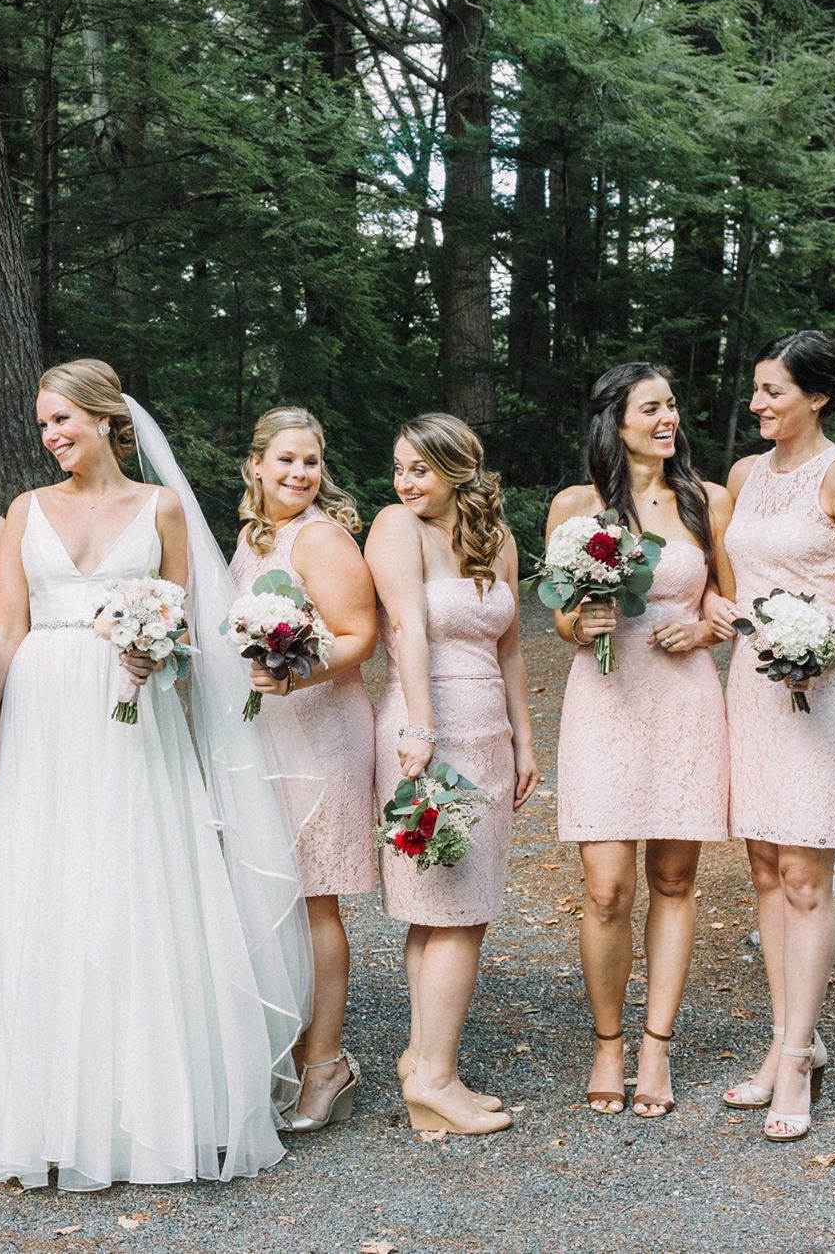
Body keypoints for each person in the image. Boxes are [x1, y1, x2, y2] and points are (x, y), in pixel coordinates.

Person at [0, 358, 312, 1190]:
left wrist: (161, 660)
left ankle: (155, 1117)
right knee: (52, 892)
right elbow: (7, 628)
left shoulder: (161, 510)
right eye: (42, 424)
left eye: (62, 420)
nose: (50, 437)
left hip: (134, 712)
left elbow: (190, 631)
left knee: (136, 888)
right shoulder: (23, 510)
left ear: (105, 419)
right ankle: (56, 1115)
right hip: (44, 713)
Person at [715, 332, 835, 1142]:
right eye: (756, 390)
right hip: (750, 690)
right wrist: (726, 614)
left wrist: (820, 653)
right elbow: (736, 583)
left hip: (821, 691)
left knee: (803, 874)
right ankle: (794, 1037)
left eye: (773, 392)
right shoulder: (745, 476)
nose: (756, 404)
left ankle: (793, 1061)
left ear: (817, 397)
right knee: (762, 863)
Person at [547, 364, 734, 1118]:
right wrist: (577, 623)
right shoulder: (575, 506)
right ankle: (608, 1042)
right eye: (651, 407)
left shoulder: (708, 500)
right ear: (614, 422)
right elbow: (559, 609)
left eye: (672, 404)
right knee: (605, 887)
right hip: (605, 697)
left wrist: (705, 624)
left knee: (675, 878)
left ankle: (657, 1045)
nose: (669, 417)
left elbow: (729, 591)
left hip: (684, 700)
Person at [366, 413, 539, 1136]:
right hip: (426, 732)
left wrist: (527, 741)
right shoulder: (393, 527)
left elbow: (511, 650)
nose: (406, 482)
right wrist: (420, 728)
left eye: (421, 469)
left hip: (488, 733)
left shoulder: (495, 539)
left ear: (458, 469)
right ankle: (436, 1077)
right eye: (400, 468)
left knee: (454, 908)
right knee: (452, 911)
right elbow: (404, 626)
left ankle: (423, 1060)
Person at [227, 406, 379, 1133]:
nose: (298, 473)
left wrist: (295, 677)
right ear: (255, 465)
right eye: (285, 460)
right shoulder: (255, 539)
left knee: (316, 898)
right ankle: (290, 1050)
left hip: (321, 730)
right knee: (276, 897)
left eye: (311, 461)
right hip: (267, 733)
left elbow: (360, 635)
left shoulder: (320, 537)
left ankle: (327, 1062)